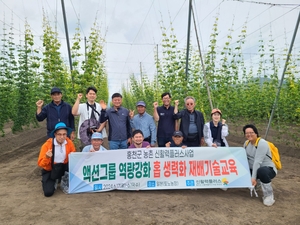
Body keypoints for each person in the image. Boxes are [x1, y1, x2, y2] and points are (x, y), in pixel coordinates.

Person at [37, 122, 76, 197]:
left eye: (64, 134)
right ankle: (54, 180)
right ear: (55, 134)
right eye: (59, 134)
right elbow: (41, 164)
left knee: (74, 187)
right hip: (51, 170)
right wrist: (46, 157)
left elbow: (74, 157)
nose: (62, 137)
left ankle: (62, 178)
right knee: (48, 193)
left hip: (64, 167)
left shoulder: (69, 143)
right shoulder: (47, 145)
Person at [243, 124, 277, 206]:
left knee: (261, 171)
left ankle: (268, 195)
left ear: (256, 133)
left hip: (267, 169)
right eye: (247, 133)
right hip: (253, 169)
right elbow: (243, 158)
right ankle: (257, 183)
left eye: (251, 132)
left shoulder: (262, 143)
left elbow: (257, 162)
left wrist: (253, 177)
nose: (249, 134)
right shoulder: (246, 143)